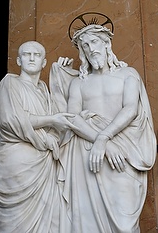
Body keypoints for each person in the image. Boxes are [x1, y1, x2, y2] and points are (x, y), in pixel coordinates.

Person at [50, 24, 157, 233]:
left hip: (123, 154)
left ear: (107, 43)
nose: (91, 49)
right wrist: (101, 144)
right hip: (89, 156)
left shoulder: (128, 74)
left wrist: (104, 139)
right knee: (88, 222)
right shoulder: (78, 83)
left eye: (94, 42)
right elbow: (72, 118)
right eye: (85, 45)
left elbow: (131, 109)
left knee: (125, 225)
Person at [0, 40, 77, 233]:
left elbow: (62, 121)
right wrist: (50, 120)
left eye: (37, 55)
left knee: (49, 221)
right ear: (18, 60)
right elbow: (10, 120)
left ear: (44, 62)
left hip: (44, 166)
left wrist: (64, 77)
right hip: (17, 166)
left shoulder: (44, 90)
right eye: (27, 54)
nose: (31, 58)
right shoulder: (10, 82)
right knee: (13, 225)